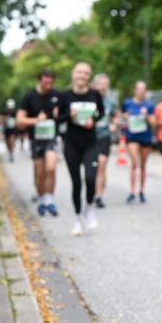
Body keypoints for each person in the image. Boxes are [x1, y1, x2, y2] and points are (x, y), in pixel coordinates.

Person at [56, 62, 104, 235]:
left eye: (85, 73)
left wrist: (94, 120)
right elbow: (58, 119)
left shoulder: (95, 94)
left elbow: (101, 113)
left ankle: (89, 209)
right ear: (73, 74)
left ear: (89, 77)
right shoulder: (64, 96)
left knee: (91, 179)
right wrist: (69, 115)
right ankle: (77, 219)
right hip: (71, 143)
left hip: (90, 142)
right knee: (76, 183)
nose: (82, 76)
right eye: (79, 72)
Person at [17, 69, 60, 217]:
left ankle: (49, 199)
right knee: (40, 172)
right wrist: (36, 120)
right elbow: (19, 120)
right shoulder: (29, 96)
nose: (49, 84)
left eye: (51, 81)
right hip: (36, 139)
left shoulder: (56, 95)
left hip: (52, 138)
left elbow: (67, 113)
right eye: (45, 81)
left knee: (51, 167)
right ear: (39, 80)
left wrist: (59, 114)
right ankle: (42, 199)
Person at [122, 80, 155, 203]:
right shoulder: (127, 103)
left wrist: (146, 116)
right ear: (135, 90)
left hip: (145, 137)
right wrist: (124, 117)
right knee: (134, 162)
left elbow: (154, 123)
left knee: (142, 165)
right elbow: (121, 115)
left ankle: (141, 190)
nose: (141, 92)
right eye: (139, 89)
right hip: (132, 136)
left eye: (143, 89)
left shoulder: (149, 106)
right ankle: (132, 191)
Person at [91, 73, 118, 208]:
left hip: (104, 136)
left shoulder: (110, 101)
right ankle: (93, 190)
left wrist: (114, 123)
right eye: (100, 84)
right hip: (89, 136)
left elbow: (115, 115)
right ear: (94, 85)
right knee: (92, 168)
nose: (102, 87)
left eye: (105, 84)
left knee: (102, 164)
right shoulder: (89, 98)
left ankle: (99, 196)